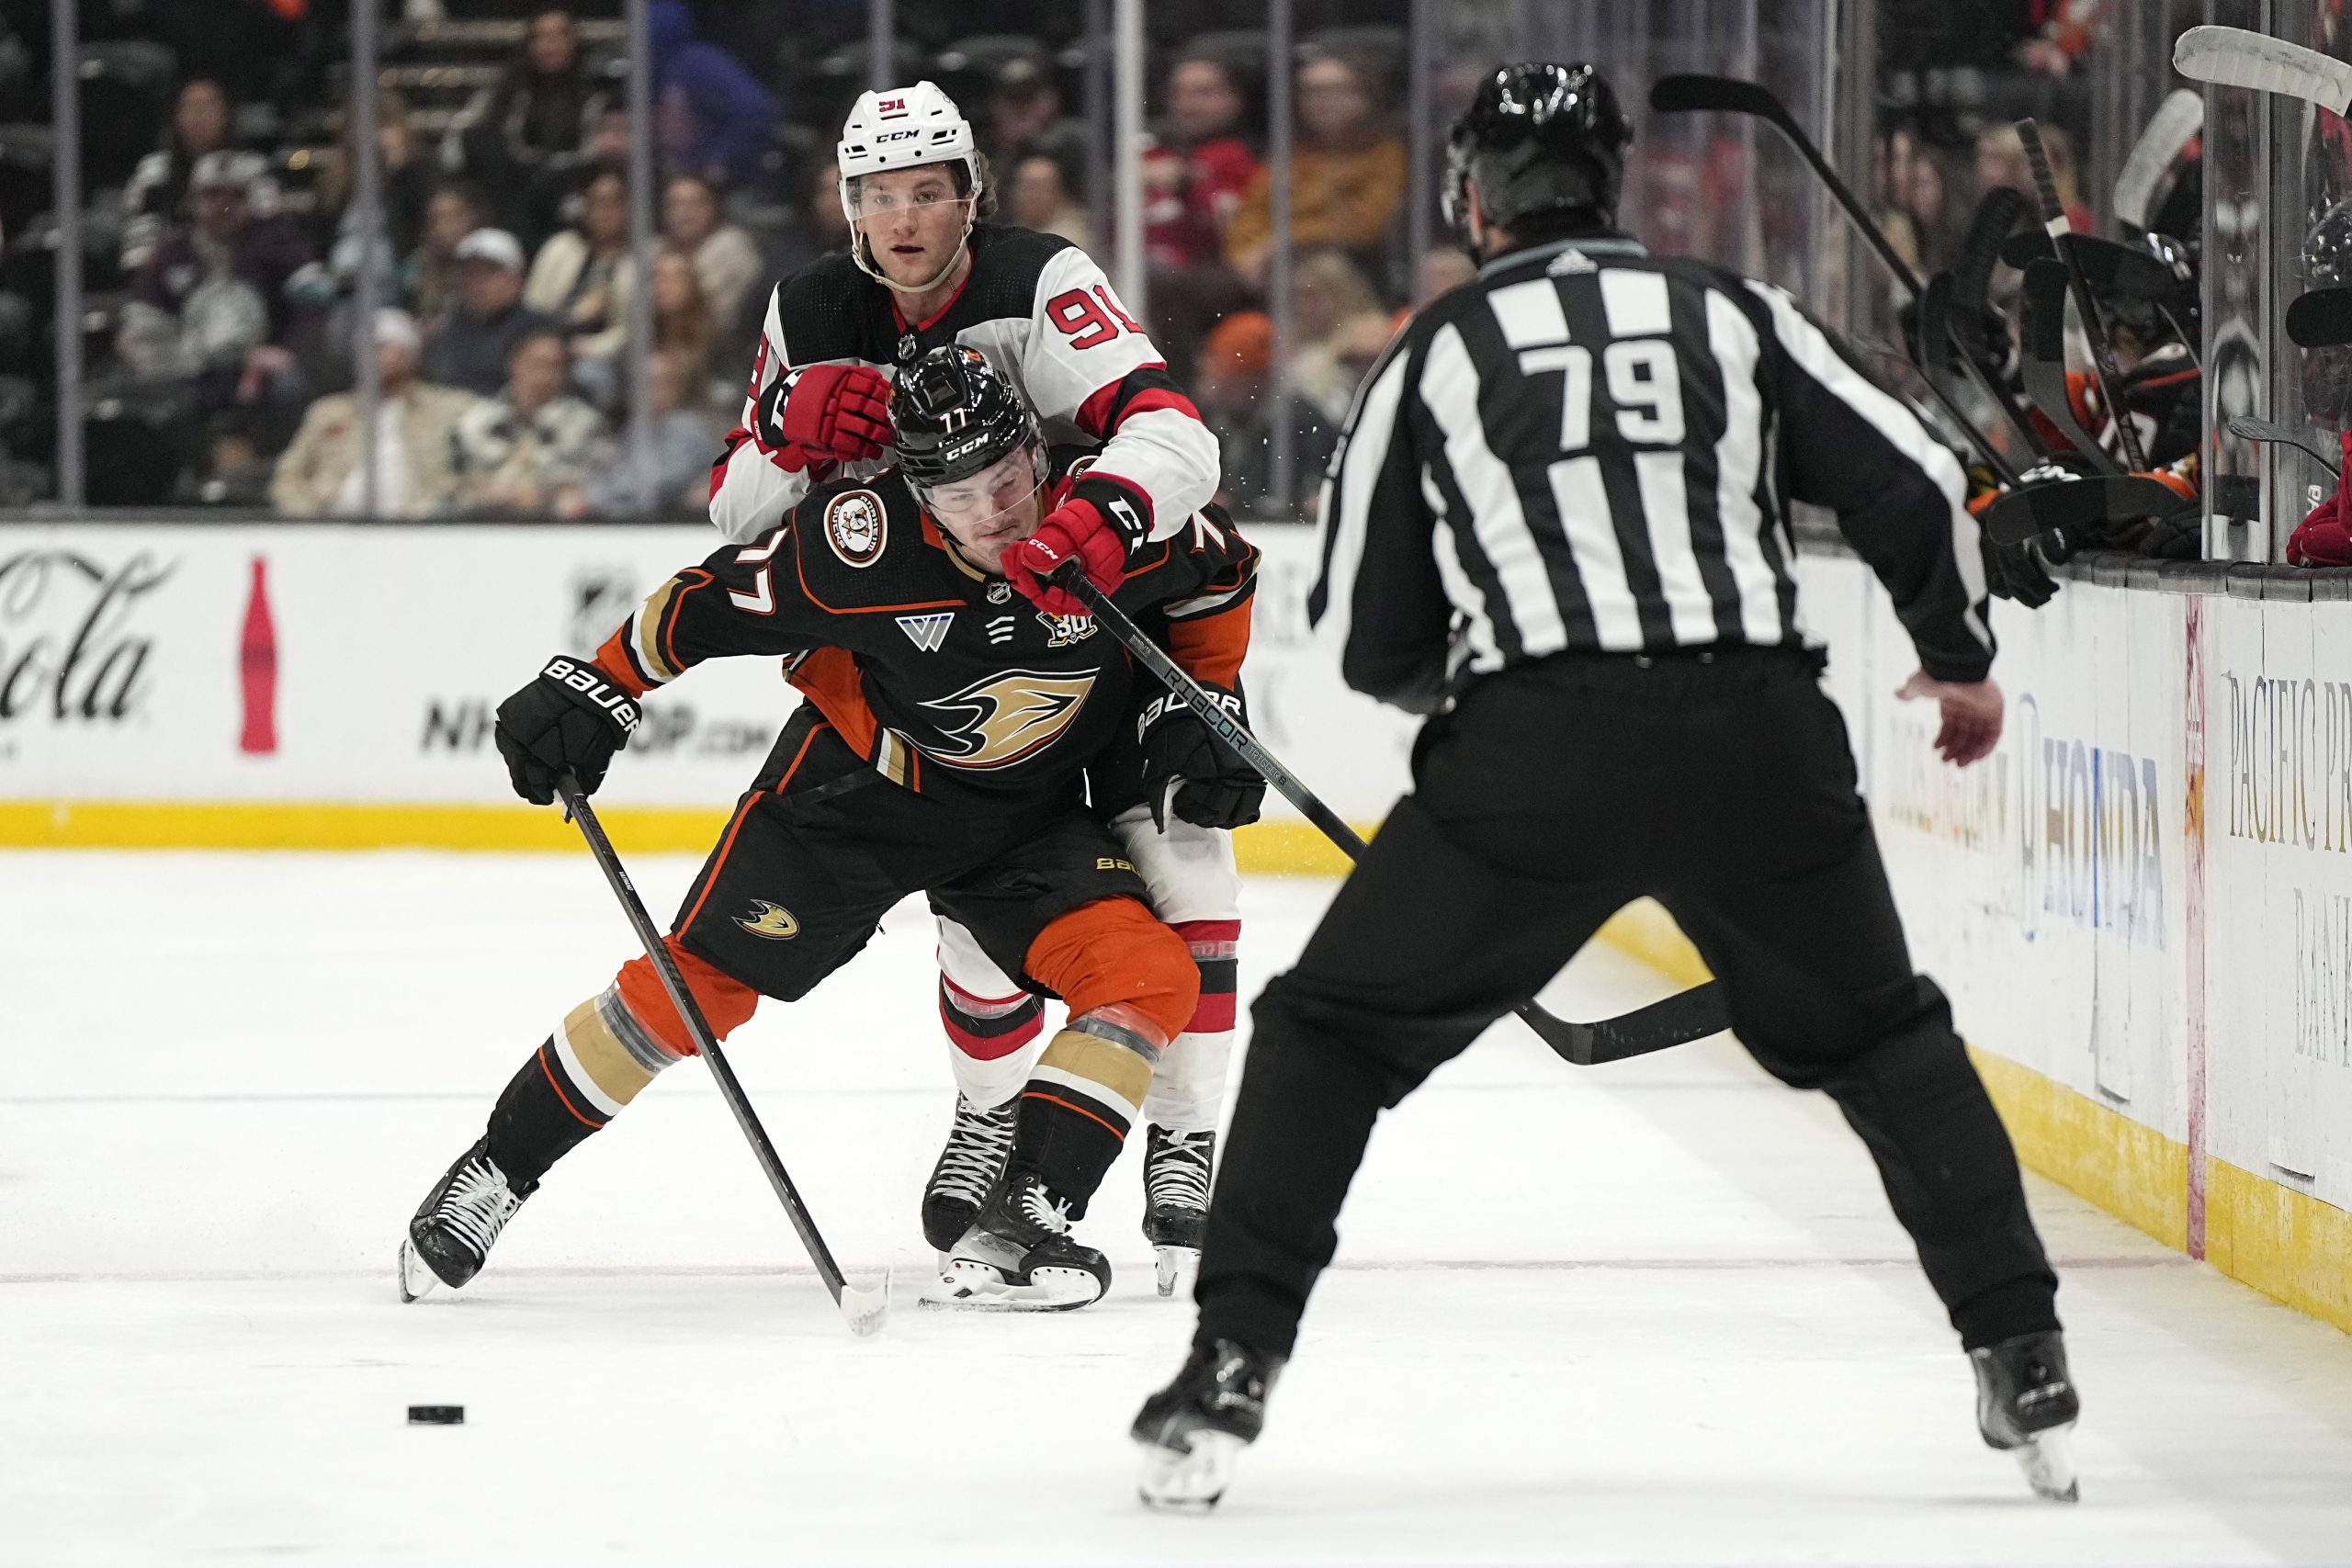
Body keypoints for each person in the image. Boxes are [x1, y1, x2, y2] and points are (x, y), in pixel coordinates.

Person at [1133, 62, 2077, 1511]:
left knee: (1329, 1036)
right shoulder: (1731, 311)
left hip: (1537, 745)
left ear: (1474, 197)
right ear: (1608, 184)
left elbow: (1365, 627)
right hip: (1759, 728)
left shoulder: (1441, 345)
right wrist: (1958, 659)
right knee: (1884, 1038)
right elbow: (1914, 481)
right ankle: (2025, 1352)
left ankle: (1229, 1371)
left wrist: (1491, 722)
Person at [396, 347, 1259, 1313]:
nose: (996, 515)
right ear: (912, 490)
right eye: (960, 495)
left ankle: (1022, 1223)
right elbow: (701, 606)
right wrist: (599, 686)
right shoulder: (859, 542)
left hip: (1026, 821)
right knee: (691, 994)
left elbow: (1219, 578)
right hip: (855, 805)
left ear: (1036, 452)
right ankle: (496, 1171)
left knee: (1150, 976)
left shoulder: (1112, 517)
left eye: (1009, 479)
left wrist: (1208, 696)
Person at [706, 82, 1239, 1291]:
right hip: (953, 664)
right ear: (849, 206)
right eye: (879, 196)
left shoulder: (1043, 282)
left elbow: (1181, 441)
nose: (903, 220)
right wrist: (788, 428)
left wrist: (1100, 515)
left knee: (1194, 866)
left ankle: (1187, 1134)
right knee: (977, 921)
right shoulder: (809, 306)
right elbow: (736, 511)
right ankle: (990, 1113)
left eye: (927, 192)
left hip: (1097, 629)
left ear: (970, 195)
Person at [1223, 51, 1407, 290]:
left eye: (1334, 91)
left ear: (1364, 97)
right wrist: (1243, 257)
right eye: (1310, 92)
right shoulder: (1290, 153)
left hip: (1345, 268)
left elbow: (1362, 226)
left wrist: (1278, 245)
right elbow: (1250, 212)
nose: (1321, 100)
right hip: (1265, 266)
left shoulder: (1385, 153)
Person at [269, 308, 475, 517]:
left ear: (411, 353)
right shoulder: (328, 413)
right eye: (363, 347)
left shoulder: (449, 408)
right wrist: (311, 517)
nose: (370, 355)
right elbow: (288, 476)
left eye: (381, 346)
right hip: (336, 525)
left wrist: (443, 506)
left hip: (420, 526)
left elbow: (478, 469)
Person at [454, 6, 607, 243]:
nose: (549, 46)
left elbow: (590, 154)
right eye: (541, 37)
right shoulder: (505, 93)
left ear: (574, 42)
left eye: (558, 36)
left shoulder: (594, 96)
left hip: (567, 194)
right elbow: (465, 140)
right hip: (512, 198)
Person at [1191, 310, 1335, 518]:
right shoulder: (1199, 417)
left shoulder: (1302, 424)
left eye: (1228, 375)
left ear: (1259, 379)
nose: (1212, 382)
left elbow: (1311, 496)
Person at [450, 329, 605, 513]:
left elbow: (597, 485)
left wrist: (542, 494)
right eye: (535, 364)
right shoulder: (473, 423)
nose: (543, 376)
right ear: (513, 364)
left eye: (554, 366)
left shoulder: (587, 425)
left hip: (556, 526)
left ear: (565, 374)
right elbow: (456, 482)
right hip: (484, 524)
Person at [647, 0, 775, 193]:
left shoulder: (697, 63)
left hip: (727, 184)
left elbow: (757, 110)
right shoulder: (650, 72)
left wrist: (719, 161)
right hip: (674, 176)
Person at [422, 227, 562, 398]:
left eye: (489, 272)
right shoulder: (443, 331)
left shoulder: (540, 331)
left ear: (516, 278)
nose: (478, 282)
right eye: (470, 273)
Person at [524, 168, 630, 344]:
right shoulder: (560, 247)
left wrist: (588, 348)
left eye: (613, 203)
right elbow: (533, 306)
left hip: (608, 352)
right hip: (552, 339)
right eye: (596, 203)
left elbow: (631, 329)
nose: (605, 212)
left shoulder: (646, 255)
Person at [660, 172, 763, 339]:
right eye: (675, 204)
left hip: (722, 348)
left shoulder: (732, 248)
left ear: (714, 206)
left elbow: (711, 315)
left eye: (694, 203)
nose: (684, 212)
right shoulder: (653, 251)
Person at [1007, 153, 1091, 248]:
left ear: (1058, 193)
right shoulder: (1013, 231)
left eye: (1036, 188)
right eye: (1023, 188)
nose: (1028, 197)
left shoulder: (1070, 238)